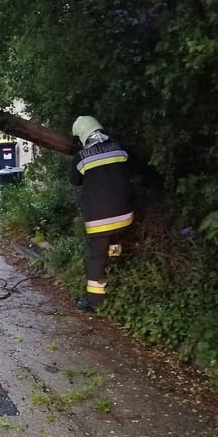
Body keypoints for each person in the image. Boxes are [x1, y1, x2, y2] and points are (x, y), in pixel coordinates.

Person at [69, 116, 134, 312]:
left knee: (95, 256)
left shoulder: (82, 157)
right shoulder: (118, 147)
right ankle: (116, 279)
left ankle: (95, 301)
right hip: (124, 214)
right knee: (114, 246)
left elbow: (74, 180)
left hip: (100, 219)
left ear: (82, 135)